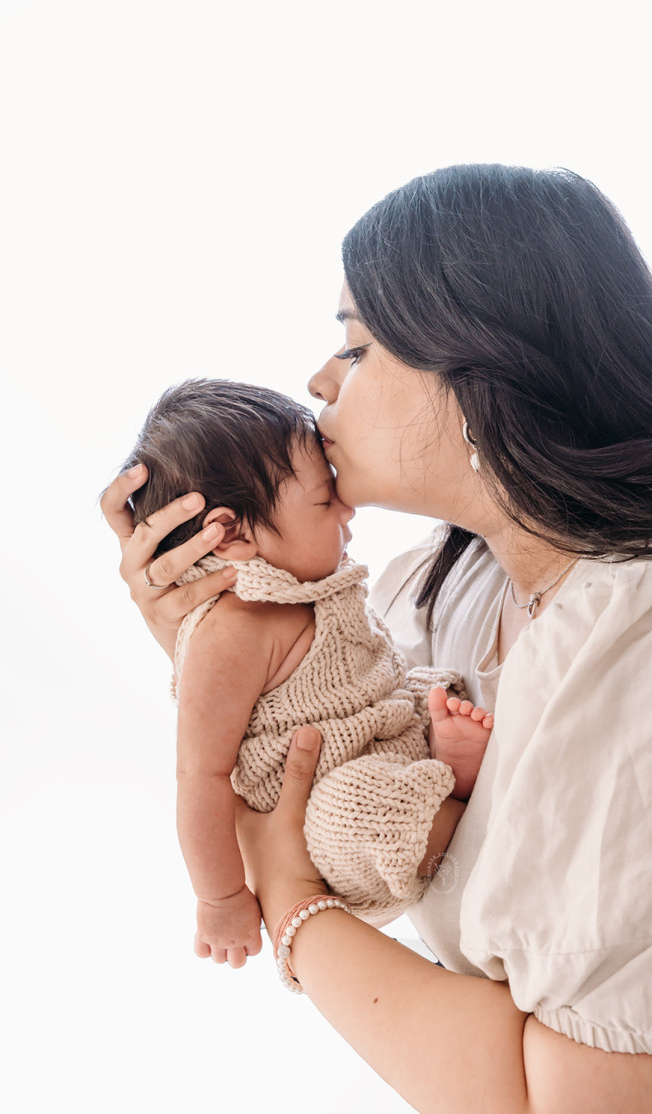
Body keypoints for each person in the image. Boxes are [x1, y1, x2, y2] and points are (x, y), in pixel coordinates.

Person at [101, 164, 652, 1113]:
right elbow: (308, 738)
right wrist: (203, 639)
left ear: (478, 370)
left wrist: (287, 897)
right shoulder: (447, 591)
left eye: (354, 345)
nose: (315, 384)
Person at [121, 378, 493, 964]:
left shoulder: (311, 585)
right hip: (321, 815)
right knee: (354, 808)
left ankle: (439, 767)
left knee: (430, 686)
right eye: (324, 501)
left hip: (382, 734)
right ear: (233, 532)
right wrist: (220, 897)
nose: (347, 509)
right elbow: (201, 777)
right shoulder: (230, 633)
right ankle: (454, 802)